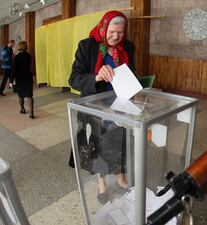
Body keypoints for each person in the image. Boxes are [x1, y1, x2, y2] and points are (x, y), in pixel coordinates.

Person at [68, 10, 135, 204]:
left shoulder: (128, 47)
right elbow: (73, 78)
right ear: (103, 28)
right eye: (112, 32)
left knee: (118, 142)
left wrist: (139, 84)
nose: (116, 37)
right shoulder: (87, 46)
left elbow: (132, 72)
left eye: (121, 33)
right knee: (97, 146)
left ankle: (121, 179)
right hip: (94, 107)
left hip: (119, 106)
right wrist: (96, 76)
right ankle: (102, 185)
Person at [12, 41, 34, 119]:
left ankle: (22, 109)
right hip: (28, 78)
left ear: (19, 47)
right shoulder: (28, 56)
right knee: (29, 96)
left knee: (21, 96)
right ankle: (31, 113)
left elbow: (14, 71)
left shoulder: (16, 58)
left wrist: (11, 81)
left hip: (19, 79)